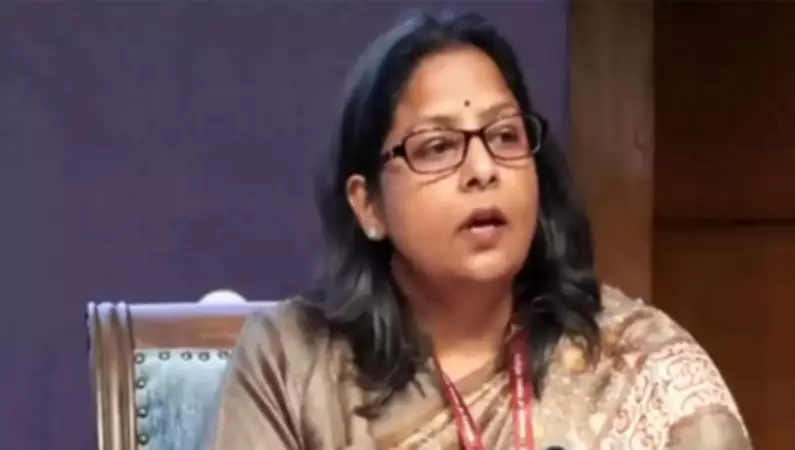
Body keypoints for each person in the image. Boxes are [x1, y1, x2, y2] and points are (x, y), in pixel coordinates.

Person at [202, 11, 751, 450]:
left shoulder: (639, 365)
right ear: (369, 206)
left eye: (505, 136)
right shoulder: (295, 363)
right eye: (438, 147)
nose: (483, 169)